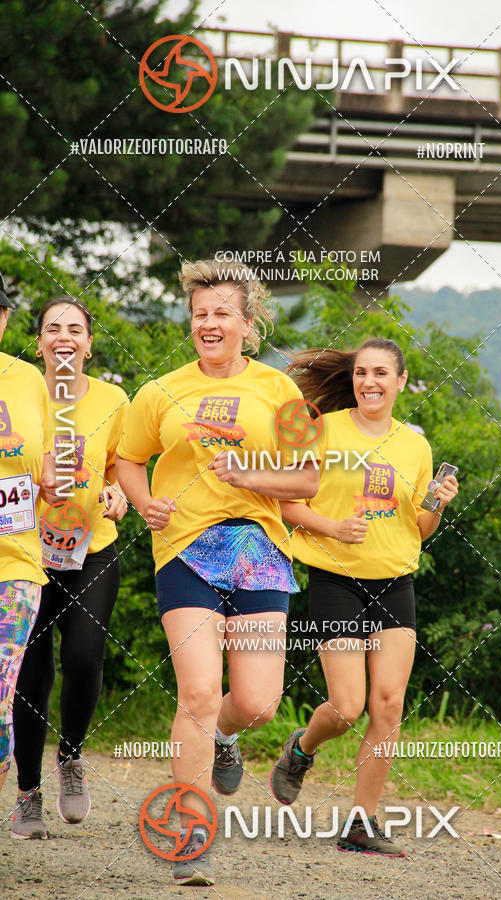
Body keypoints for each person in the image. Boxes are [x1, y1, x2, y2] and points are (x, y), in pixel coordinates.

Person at [115, 260, 318, 886]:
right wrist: (145, 501)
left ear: (247, 321)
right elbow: (126, 458)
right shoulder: (161, 391)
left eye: (222, 312)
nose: (209, 323)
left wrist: (249, 476)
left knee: (257, 701)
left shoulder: (280, 392)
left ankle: (226, 738)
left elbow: (309, 478)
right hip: (187, 549)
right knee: (198, 693)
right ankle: (189, 837)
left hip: (258, 550)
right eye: (200, 313)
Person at [270, 338, 459, 856]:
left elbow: (417, 528)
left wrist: (437, 505)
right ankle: (301, 749)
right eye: (360, 373)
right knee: (348, 706)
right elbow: (284, 504)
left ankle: (362, 823)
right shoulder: (323, 431)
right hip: (336, 579)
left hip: (396, 580)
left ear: (401, 382)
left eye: (381, 373)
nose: (369, 382)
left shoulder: (415, 446)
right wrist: (332, 525)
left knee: (388, 705)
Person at [11, 297, 128, 839]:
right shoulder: (22, 391)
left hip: (93, 550)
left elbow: (120, 467)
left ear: (88, 343)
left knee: (84, 656)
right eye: (52, 328)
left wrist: (118, 493)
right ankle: (28, 794)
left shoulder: (112, 398)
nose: (64, 336)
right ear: (38, 342)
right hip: (30, 550)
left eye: (75, 329)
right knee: (32, 673)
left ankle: (72, 756)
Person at [0, 276, 56, 800]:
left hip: (16, 563)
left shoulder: (27, 380)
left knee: (0, 693)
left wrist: (51, 484)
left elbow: (44, 466)